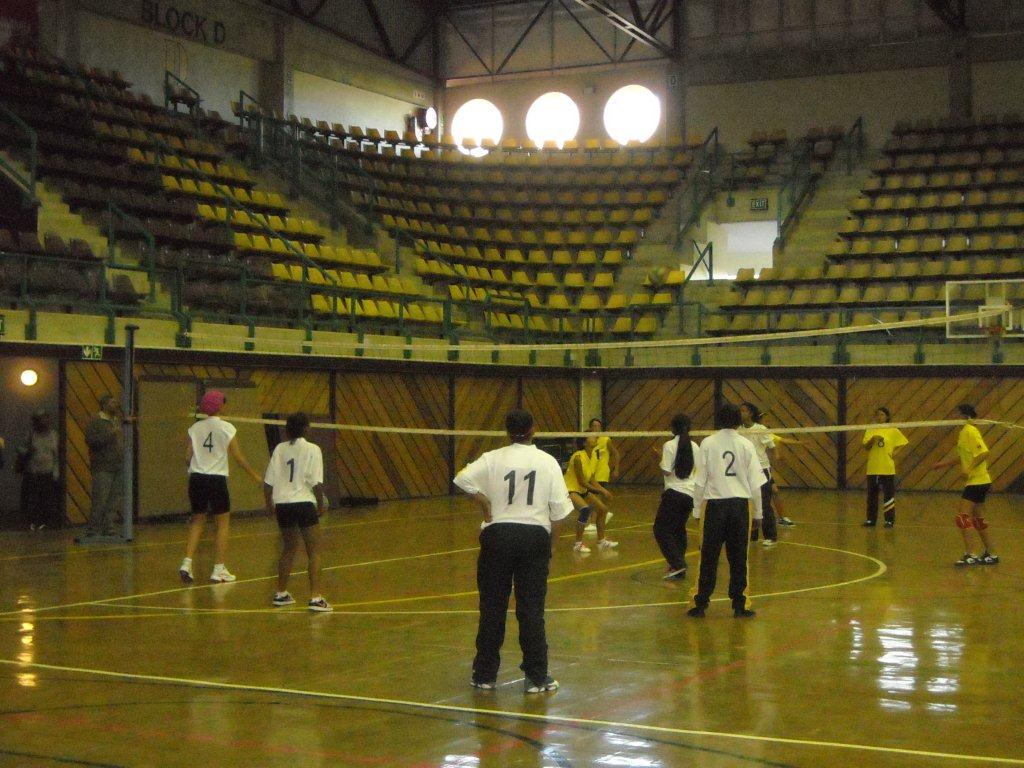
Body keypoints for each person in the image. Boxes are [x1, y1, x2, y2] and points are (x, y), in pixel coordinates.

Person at [454, 408, 573, 694]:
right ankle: (536, 677)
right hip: (534, 538)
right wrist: (551, 547)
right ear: (533, 429)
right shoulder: (547, 462)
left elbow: (461, 479)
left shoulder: (492, 458)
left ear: (507, 431)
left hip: (497, 537)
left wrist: (484, 503)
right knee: (531, 610)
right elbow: (560, 513)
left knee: (492, 607)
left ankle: (484, 675)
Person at [688, 403, 765, 619]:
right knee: (739, 557)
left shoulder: (708, 443)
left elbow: (700, 480)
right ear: (738, 421)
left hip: (714, 506)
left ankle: (700, 603)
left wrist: (696, 509)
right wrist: (758, 513)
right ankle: (740, 605)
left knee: (708, 556)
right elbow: (756, 483)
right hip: (740, 506)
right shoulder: (746, 444)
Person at [178, 390, 262, 584]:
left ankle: (186, 563)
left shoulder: (195, 428)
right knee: (222, 524)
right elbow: (238, 457)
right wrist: (255, 476)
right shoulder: (227, 428)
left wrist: (193, 470)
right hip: (216, 480)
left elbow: (186, 456)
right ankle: (219, 569)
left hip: (197, 479)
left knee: (197, 521)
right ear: (220, 406)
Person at [264, 413, 331, 612]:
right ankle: (316, 597)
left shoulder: (279, 449)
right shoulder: (313, 449)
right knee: (314, 551)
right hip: (303, 503)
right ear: (306, 429)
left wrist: (270, 506)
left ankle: (281, 593)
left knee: (288, 548)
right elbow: (315, 482)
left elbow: (268, 483)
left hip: (283, 504)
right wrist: (320, 504)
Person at [932, 404, 999, 567]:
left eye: (957, 414)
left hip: (977, 480)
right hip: (978, 480)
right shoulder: (964, 432)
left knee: (962, 517)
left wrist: (968, 469)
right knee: (978, 519)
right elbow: (964, 457)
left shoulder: (970, 430)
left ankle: (971, 554)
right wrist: (943, 464)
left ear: (964, 415)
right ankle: (991, 554)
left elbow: (984, 453)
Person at [654, 414, 701, 580]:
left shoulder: (669, 445)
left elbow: (666, 470)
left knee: (661, 529)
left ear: (672, 428)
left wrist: (660, 459)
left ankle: (678, 563)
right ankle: (678, 567)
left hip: (674, 493)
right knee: (678, 529)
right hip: (690, 494)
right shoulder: (695, 446)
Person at [564, 435, 617, 554]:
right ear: (584, 443)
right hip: (570, 490)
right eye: (591, 437)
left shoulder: (591, 456)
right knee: (585, 510)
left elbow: (591, 478)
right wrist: (597, 491)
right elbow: (582, 481)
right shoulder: (578, 457)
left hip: (582, 490)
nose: (595, 438)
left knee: (603, 509)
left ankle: (601, 541)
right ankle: (578, 544)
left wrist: (604, 491)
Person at [82, 394, 123, 538]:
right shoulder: (96, 421)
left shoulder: (115, 420)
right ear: (104, 404)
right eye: (112, 402)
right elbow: (91, 441)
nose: (115, 404)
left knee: (114, 499)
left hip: (117, 465)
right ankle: (93, 529)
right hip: (102, 466)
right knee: (100, 499)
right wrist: (110, 434)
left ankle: (108, 526)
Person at [862, 407, 908, 528]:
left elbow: (904, 442)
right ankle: (871, 519)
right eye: (877, 415)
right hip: (873, 468)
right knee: (872, 495)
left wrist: (895, 453)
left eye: (882, 415)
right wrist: (873, 439)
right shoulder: (871, 429)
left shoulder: (892, 430)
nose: (879, 417)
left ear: (887, 417)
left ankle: (889, 520)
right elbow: (866, 447)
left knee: (888, 495)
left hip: (887, 468)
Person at [739, 402, 778, 546]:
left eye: (743, 411)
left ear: (750, 413)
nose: (741, 413)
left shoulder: (761, 429)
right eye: (740, 411)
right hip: (745, 472)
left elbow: (772, 448)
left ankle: (771, 536)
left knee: (764, 504)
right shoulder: (738, 430)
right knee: (748, 504)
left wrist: (772, 471)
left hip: (762, 471)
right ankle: (752, 535)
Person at [20, 411, 60, 531]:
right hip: (34, 472)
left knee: (46, 498)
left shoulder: (54, 435)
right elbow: (21, 449)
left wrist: (56, 471)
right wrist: (27, 451)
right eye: (41, 419)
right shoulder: (32, 435)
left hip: (48, 471)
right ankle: (33, 521)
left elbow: (56, 455)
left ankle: (44, 521)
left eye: (46, 419)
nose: (45, 422)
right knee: (33, 498)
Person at [586, 418, 619, 532]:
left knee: (595, 499)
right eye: (594, 426)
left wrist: (615, 469)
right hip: (592, 473)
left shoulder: (606, 440)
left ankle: (593, 524)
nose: (596, 428)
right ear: (590, 428)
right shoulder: (588, 440)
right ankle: (605, 514)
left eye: (598, 426)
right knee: (593, 499)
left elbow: (615, 453)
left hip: (601, 473)